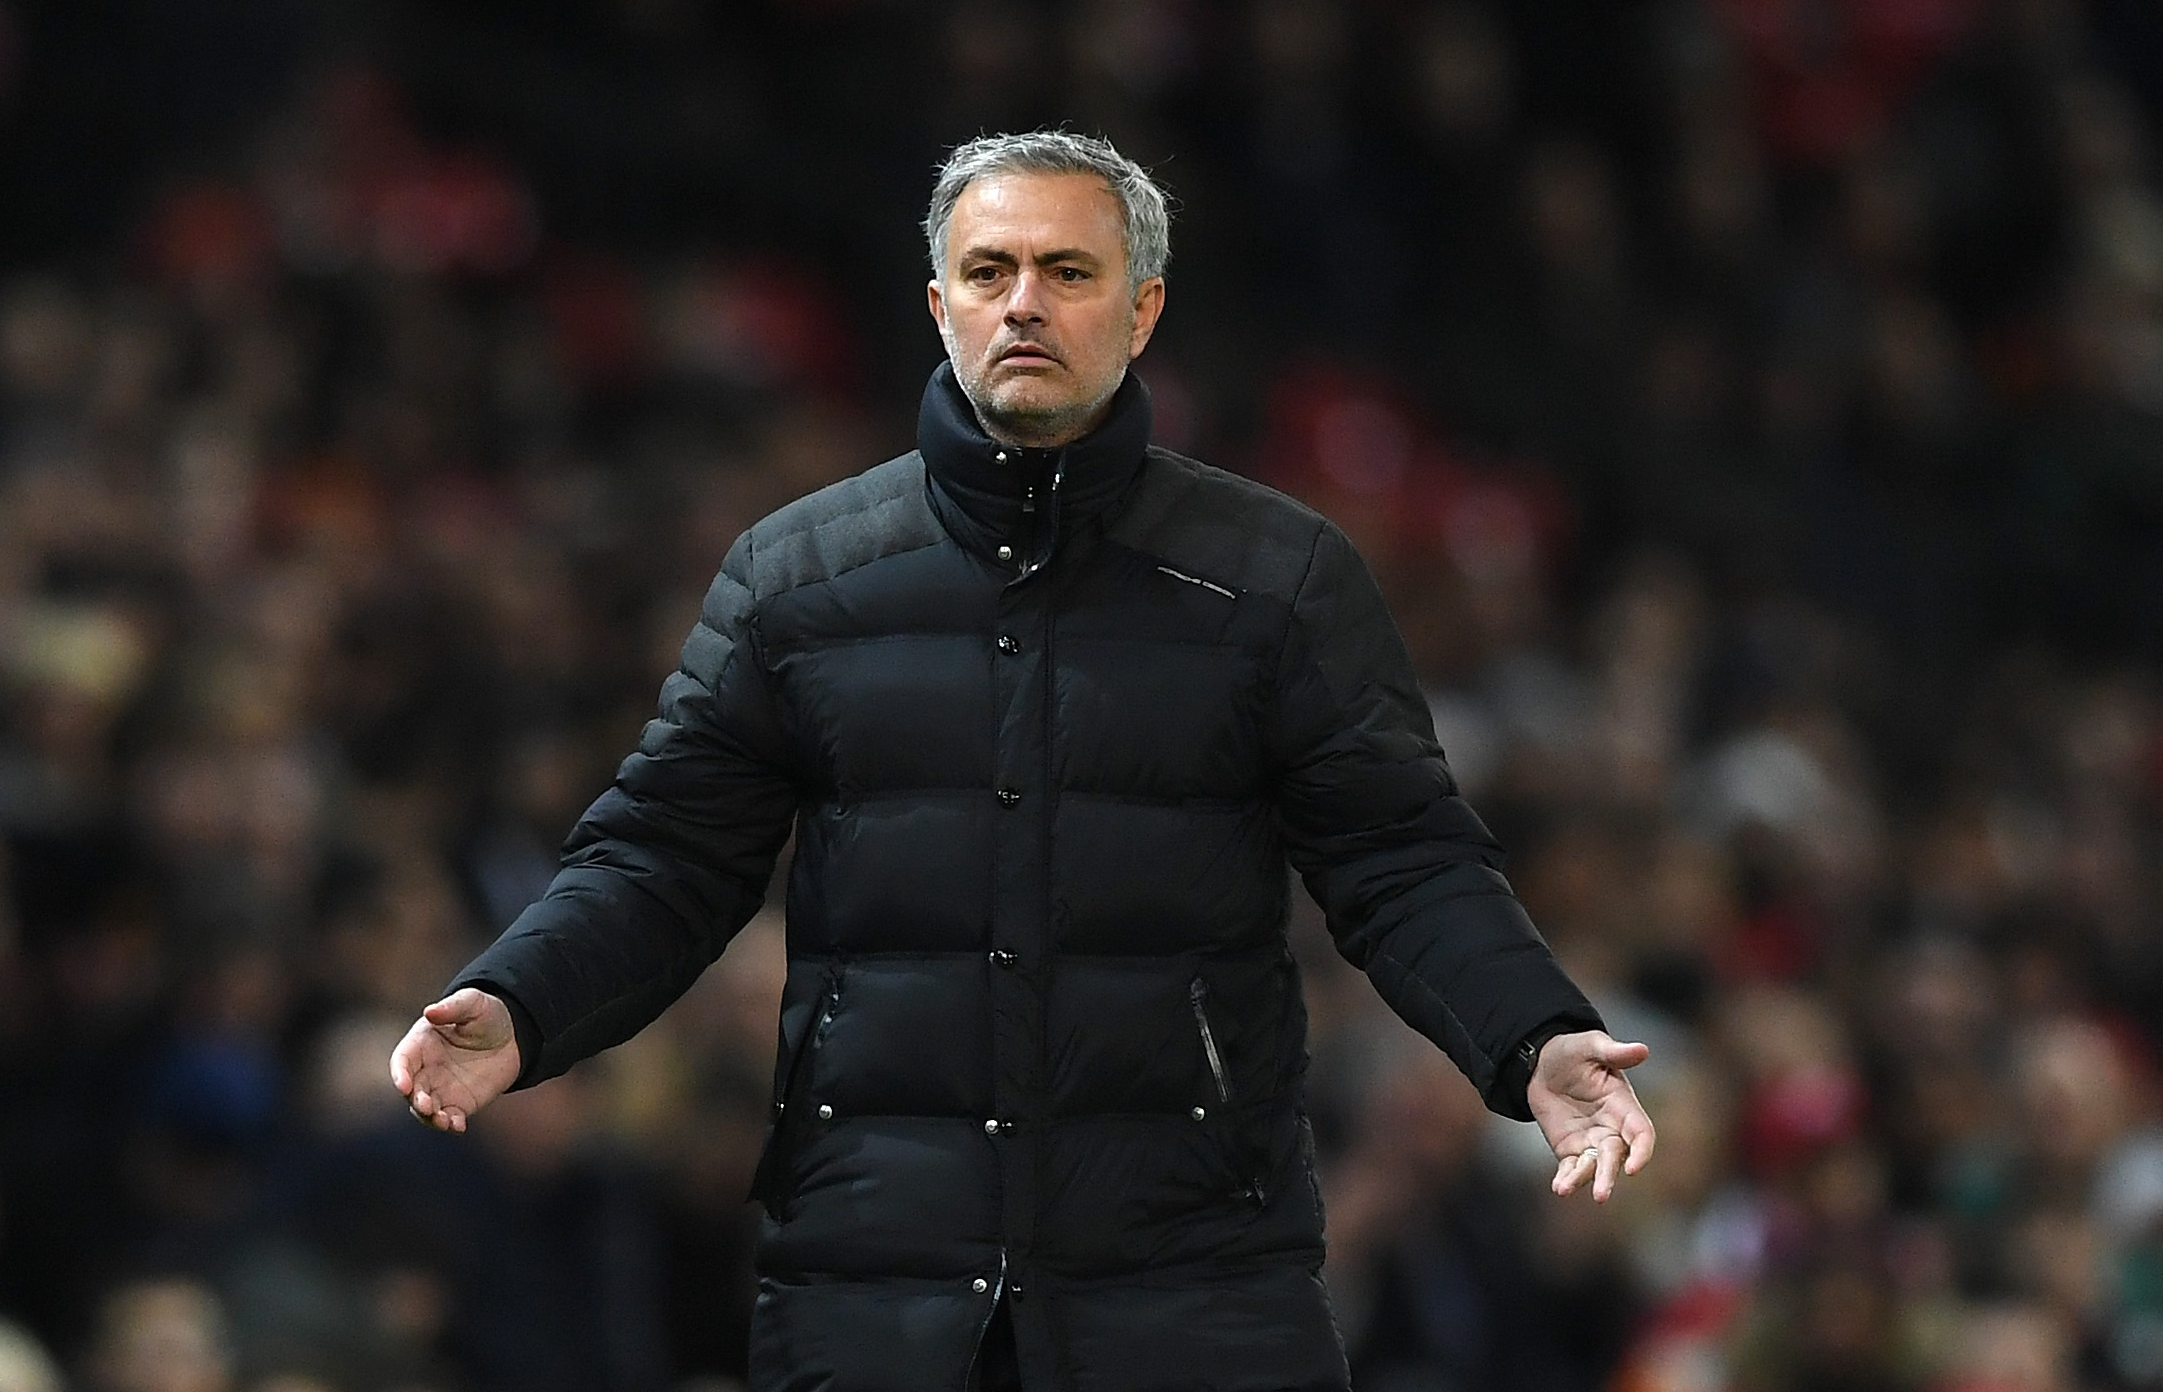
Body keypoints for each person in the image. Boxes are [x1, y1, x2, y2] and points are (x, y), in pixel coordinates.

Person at [390, 130, 1655, 1392]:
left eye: (1068, 270)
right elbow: (666, 857)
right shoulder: (799, 577)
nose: (1025, 304)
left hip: (1192, 1289)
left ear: (1144, 308)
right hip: (875, 1293)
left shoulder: (1278, 579)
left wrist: (1528, 1036)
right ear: (938, 305)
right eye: (988, 272)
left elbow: (1402, 858)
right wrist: (526, 1000)